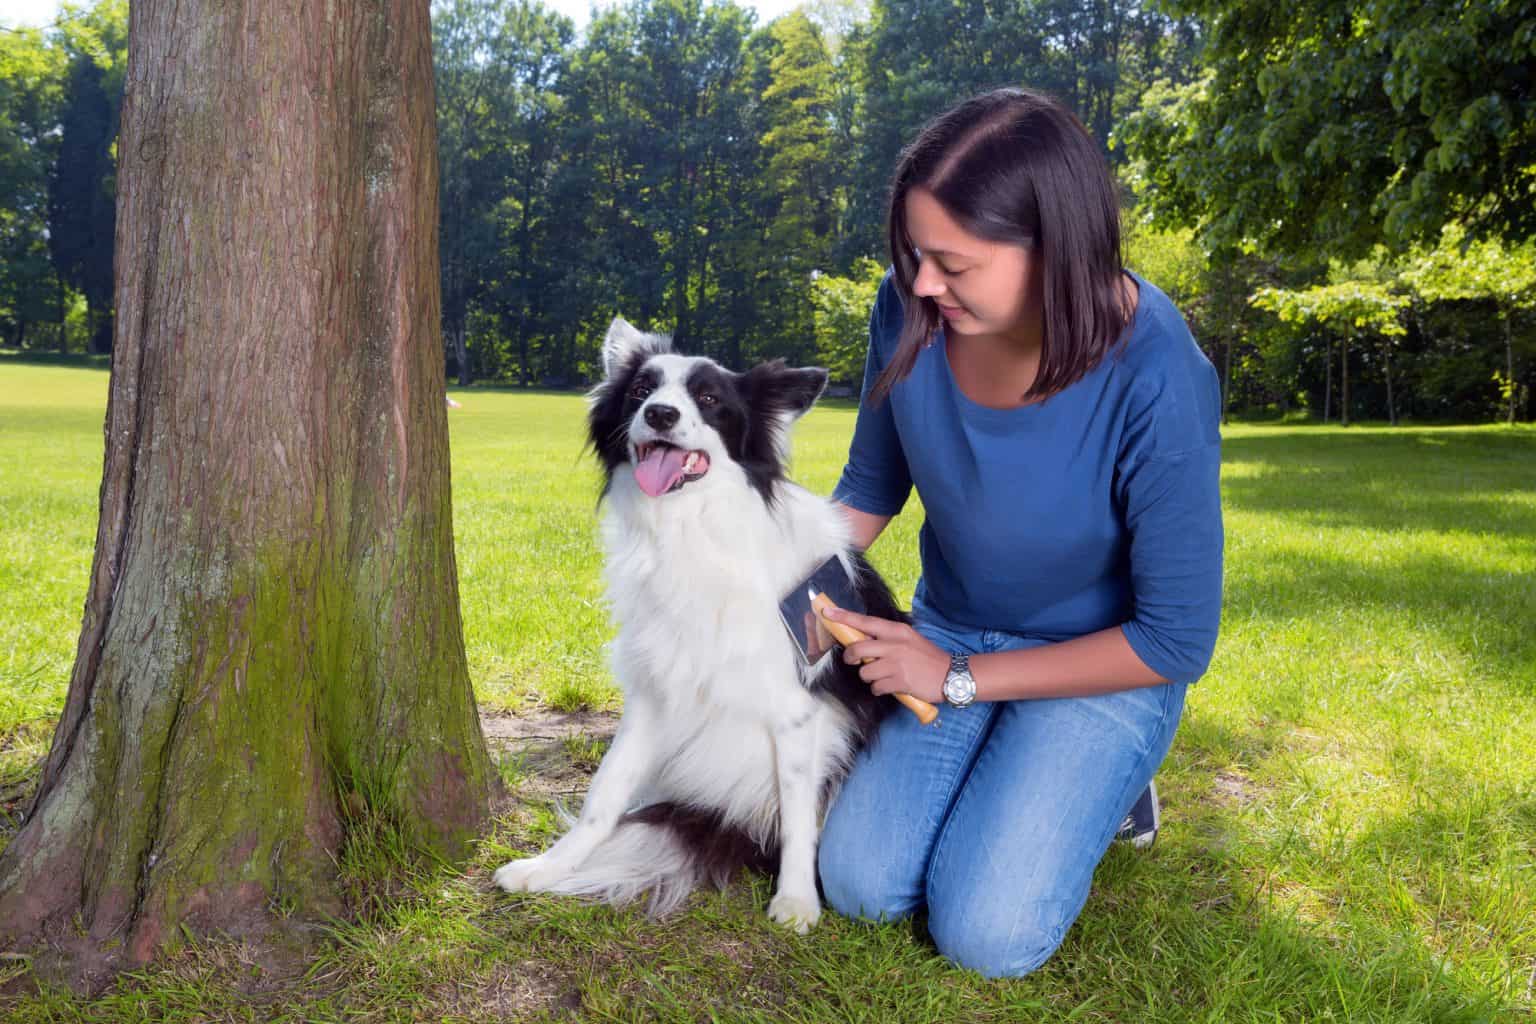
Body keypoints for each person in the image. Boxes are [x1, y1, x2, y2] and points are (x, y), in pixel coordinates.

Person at [814, 87, 1224, 979]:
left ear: (1053, 250)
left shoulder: (1159, 373)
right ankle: (1013, 747)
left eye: (952, 263)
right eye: (915, 254)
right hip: (954, 626)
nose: (923, 283)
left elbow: (1178, 637)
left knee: (987, 936)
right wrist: (778, 578)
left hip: (1105, 662)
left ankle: (1116, 783)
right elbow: (871, 486)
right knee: (857, 883)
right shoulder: (909, 313)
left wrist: (956, 682)